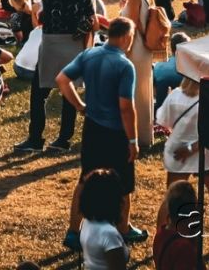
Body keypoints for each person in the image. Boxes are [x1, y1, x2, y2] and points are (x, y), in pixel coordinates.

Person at [58, 17, 147, 253]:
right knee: (124, 181)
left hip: (93, 127)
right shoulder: (124, 65)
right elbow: (126, 107)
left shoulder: (89, 55)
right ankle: (124, 227)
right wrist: (133, 140)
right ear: (127, 37)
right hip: (116, 131)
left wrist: (79, 105)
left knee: (85, 178)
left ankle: (73, 231)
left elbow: (62, 79)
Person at [15, 0, 94, 154]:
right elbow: (92, 24)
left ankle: (35, 138)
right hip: (74, 46)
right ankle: (63, 139)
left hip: (51, 44)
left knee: (39, 94)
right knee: (69, 95)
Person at [155, 76, 209, 256]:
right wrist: (191, 147)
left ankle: (161, 239)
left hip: (177, 154)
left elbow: (162, 121)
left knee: (170, 200)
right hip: (204, 156)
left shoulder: (174, 96)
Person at [116, 0, 167, 143]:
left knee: (134, 93)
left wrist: (125, 53)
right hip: (142, 49)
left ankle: (135, 135)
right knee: (143, 92)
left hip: (135, 48)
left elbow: (131, 27)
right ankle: (143, 135)